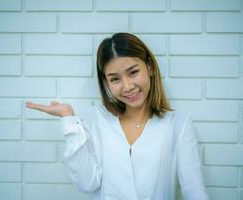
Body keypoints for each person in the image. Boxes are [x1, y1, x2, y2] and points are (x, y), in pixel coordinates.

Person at [26, 33, 209, 200]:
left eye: (133, 72)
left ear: (150, 68)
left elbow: (194, 191)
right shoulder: (97, 118)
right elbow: (87, 183)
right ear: (106, 81)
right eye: (115, 79)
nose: (127, 86)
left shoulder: (178, 123)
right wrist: (69, 120)